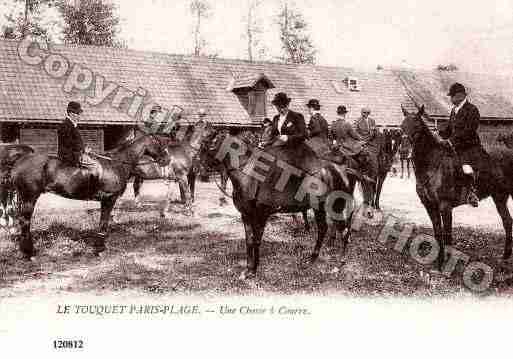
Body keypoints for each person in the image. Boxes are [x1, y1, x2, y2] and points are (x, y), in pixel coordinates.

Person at [437, 82, 483, 207]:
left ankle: (472, 192)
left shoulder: (472, 109)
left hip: (470, 146)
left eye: (452, 96)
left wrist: (452, 141)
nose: (451, 99)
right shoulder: (454, 110)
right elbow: (449, 130)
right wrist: (439, 134)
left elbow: (469, 131)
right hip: (455, 146)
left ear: (461, 95)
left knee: (466, 166)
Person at [58, 101, 89, 167]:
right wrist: (83, 150)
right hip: (68, 156)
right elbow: (68, 143)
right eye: (77, 113)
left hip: (75, 155)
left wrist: (84, 148)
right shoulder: (65, 125)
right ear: (71, 113)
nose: (79, 116)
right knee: (95, 166)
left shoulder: (73, 125)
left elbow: (76, 141)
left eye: (79, 113)